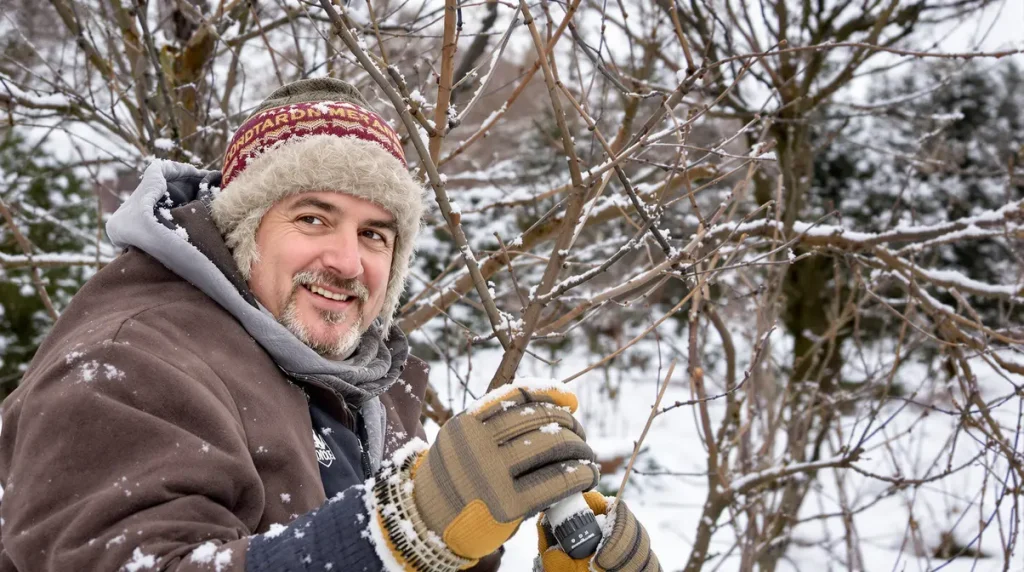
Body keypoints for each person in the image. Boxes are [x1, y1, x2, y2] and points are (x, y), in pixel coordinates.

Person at [0, 78, 661, 571]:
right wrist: (397, 532)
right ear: (241, 230)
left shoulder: (361, 382)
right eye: (313, 219)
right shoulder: (131, 363)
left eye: (375, 234)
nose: (347, 261)